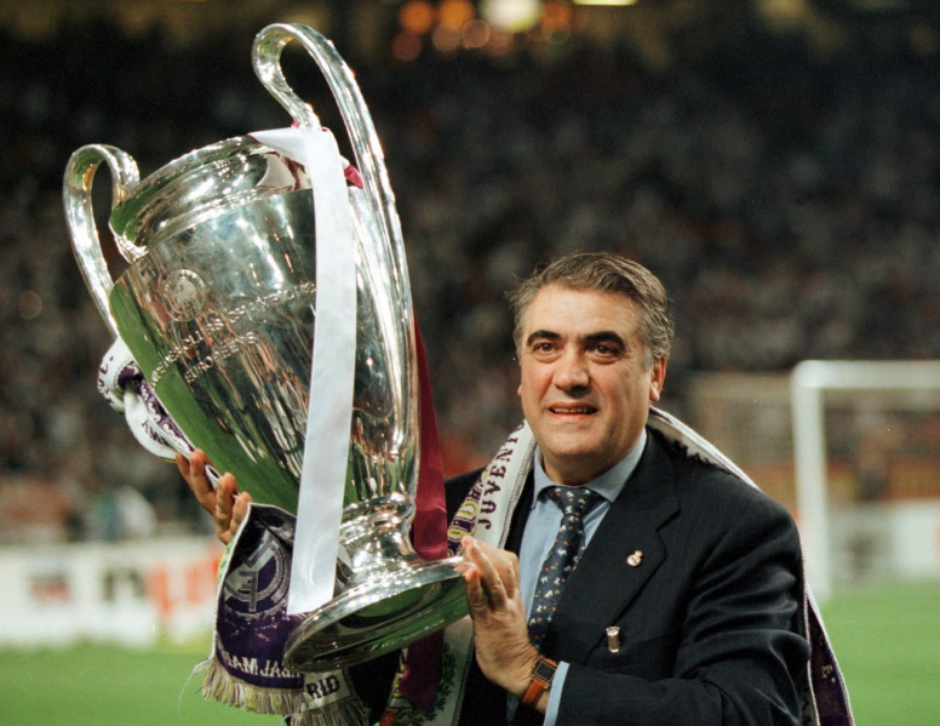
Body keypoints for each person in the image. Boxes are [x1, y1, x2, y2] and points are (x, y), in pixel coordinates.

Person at [180, 252, 813, 726]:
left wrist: (535, 676)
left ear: (655, 375)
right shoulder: (439, 518)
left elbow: (749, 714)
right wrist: (288, 572)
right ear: (521, 373)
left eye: (602, 349)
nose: (570, 375)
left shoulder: (734, 528)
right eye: (546, 347)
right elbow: (378, 702)